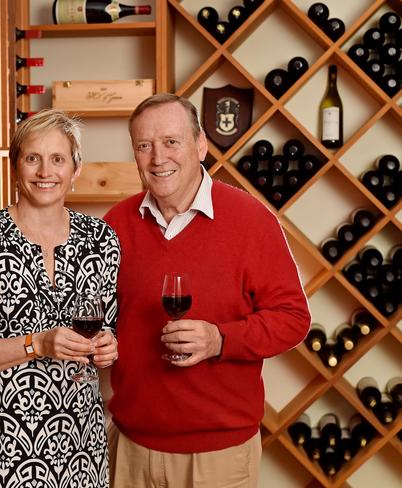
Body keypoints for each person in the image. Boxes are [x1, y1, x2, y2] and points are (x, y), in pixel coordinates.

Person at [103, 93, 311, 488]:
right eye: (144, 146)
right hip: (131, 450)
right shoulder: (115, 224)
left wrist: (220, 339)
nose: (157, 157)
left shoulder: (250, 220)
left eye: (171, 142)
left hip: (220, 458)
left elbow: (293, 319)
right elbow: (87, 318)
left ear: (200, 145)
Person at [0, 109, 120, 488]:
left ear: (75, 169)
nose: (45, 172)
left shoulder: (101, 240)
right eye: (32, 158)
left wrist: (107, 347)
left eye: (58, 159)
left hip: (83, 442)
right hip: (9, 442)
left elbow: (107, 330)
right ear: (15, 166)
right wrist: (37, 343)